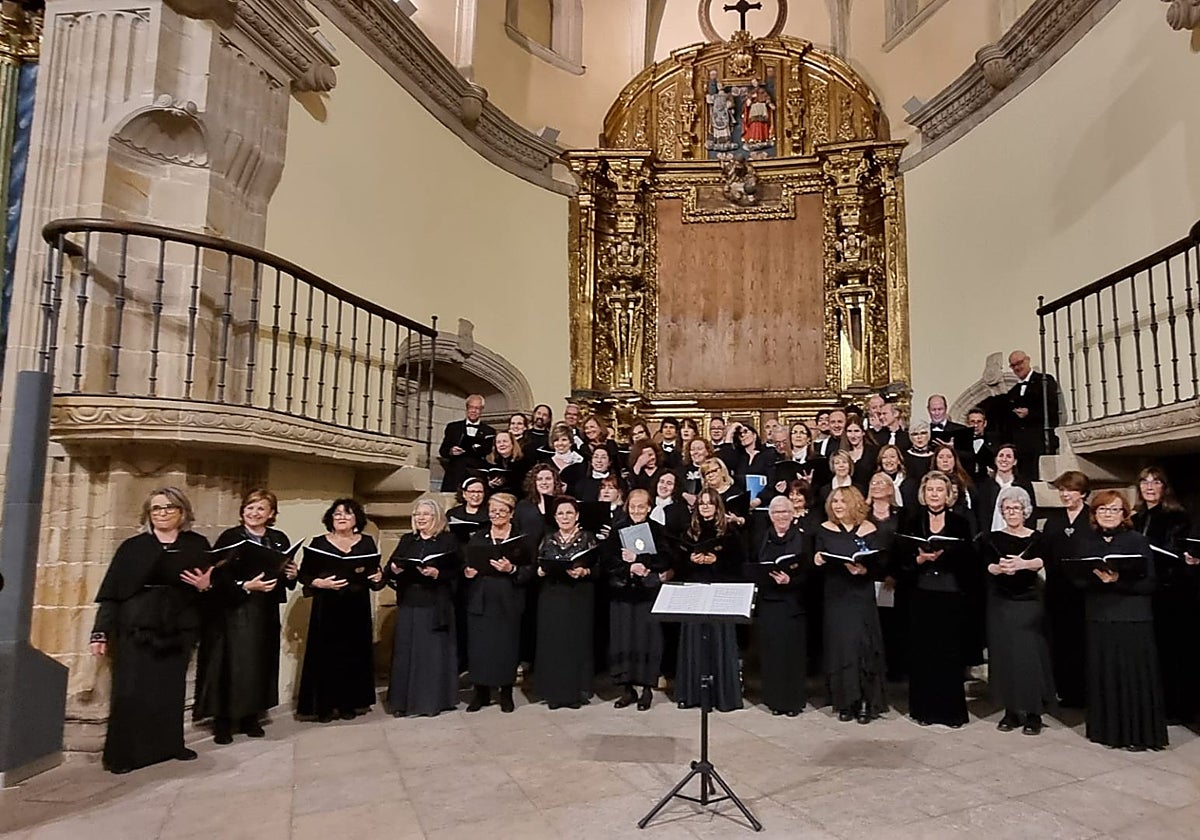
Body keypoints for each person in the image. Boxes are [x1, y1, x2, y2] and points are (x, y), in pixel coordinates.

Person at [90, 488, 212, 774]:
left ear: (183, 512)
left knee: (171, 689)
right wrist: (100, 632)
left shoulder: (197, 544)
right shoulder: (133, 547)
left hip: (178, 624)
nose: (163, 513)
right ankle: (124, 755)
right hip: (137, 623)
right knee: (130, 691)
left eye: (169, 508)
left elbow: (209, 588)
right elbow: (111, 593)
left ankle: (171, 745)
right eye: (156, 509)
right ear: (148, 514)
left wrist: (206, 586)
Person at [195, 489, 297, 744]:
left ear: (271, 514)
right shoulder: (231, 537)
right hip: (234, 609)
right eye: (250, 508)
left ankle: (251, 716)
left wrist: (291, 575)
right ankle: (223, 722)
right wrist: (244, 585)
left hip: (265, 609)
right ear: (242, 512)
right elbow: (217, 574)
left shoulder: (278, 538)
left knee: (259, 663)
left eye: (261, 509)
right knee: (231, 665)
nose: (254, 513)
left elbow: (282, 571)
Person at [1077, 490, 1166, 751]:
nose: (1108, 514)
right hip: (1099, 616)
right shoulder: (1086, 541)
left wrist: (1118, 581)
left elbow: (1150, 582)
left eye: (1115, 509)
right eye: (1103, 509)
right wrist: (1095, 579)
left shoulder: (1137, 541)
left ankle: (1138, 735)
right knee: (1104, 674)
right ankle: (1107, 731)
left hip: (1133, 616)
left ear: (1125, 514)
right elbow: (1076, 578)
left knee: (1133, 677)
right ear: (1094, 514)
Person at [296, 498, 385, 722]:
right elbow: (304, 575)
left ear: (357, 519)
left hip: (356, 606)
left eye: (347, 513)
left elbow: (374, 574)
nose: (342, 517)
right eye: (337, 514)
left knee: (353, 654)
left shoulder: (366, 542)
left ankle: (349, 704)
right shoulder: (319, 542)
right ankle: (324, 706)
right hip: (327, 606)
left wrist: (378, 576)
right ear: (330, 518)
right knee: (325, 656)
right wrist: (319, 583)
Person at [899, 471, 974, 728]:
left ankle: (951, 712)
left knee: (949, 653)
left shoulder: (961, 523)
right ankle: (924, 711)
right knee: (923, 653)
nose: (934, 494)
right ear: (923, 493)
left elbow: (969, 561)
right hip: (921, 593)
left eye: (939, 490)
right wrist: (918, 560)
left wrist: (948, 555)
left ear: (948, 494)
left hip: (950, 593)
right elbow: (901, 562)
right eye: (930, 490)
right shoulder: (911, 521)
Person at [980, 487, 1055, 735]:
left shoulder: (1038, 538)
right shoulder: (991, 538)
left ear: (1026, 511)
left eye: (1016, 508)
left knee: (1029, 657)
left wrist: (1023, 564)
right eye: (1007, 508)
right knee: (1004, 657)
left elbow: (1042, 561)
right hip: (1000, 602)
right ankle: (1011, 711)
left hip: (1028, 602)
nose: (1012, 512)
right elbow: (986, 565)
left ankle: (1033, 712)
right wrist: (1000, 569)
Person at [813, 486, 887, 724]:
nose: (837, 506)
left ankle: (866, 701)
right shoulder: (825, 529)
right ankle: (845, 702)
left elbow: (880, 562)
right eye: (834, 501)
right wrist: (817, 558)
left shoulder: (869, 529)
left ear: (854, 503)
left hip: (860, 594)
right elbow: (817, 556)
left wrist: (865, 569)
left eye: (843, 501)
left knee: (862, 646)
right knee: (840, 647)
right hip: (836, 595)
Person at [384, 496, 461, 717]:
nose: (421, 518)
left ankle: (432, 702)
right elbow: (391, 567)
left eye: (426, 514)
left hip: (435, 603)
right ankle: (402, 702)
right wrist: (394, 570)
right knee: (406, 653)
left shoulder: (448, 541)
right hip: (410, 601)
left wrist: (438, 573)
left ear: (436, 517)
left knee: (431, 655)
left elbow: (458, 572)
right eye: (417, 514)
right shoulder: (408, 540)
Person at [1133, 467, 1195, 725]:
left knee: (1170, 652)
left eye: (1155, 482)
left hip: (1169, 592)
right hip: (1141, 593)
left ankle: (1175, 707)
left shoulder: (1177, 517)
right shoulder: (1135, 519)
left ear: (1164, 487)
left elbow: (1177, 553)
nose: (1149, 487)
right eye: (1144, 482)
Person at [675, 489, 744, 712]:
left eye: (710, 503)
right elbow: (679, 566)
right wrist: (692, 560)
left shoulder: (730, 532)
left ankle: (722, 696)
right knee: (694, 641)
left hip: (720, 592)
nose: (705, 507)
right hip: (695, 591)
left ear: (717, 506)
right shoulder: (689, 533)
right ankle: (692, 694)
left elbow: (739, 567)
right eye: (702, 503)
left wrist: (715, 560)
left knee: (719, 641)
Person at [464, 492, 532, 713]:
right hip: (481, 597)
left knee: (505, 647)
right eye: (493, 511)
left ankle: (505, 692)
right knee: (480, 647)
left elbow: (530, 570)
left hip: (508, 598)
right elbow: (466, 562)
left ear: (511, 514)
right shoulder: (479, 537)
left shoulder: (521, 539)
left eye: (502, 511)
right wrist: (468, 571)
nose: (497, 515)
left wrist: (511, 569)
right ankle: (481, 692)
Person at [607, 489, 674, 711]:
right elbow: (608, 560)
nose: (637, 511)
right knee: (623, 639)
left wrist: (641, 560)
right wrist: (629, 568)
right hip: (623, 592)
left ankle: (646, 690)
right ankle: (627, 690)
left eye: (641, 507)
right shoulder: (617, 529)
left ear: (649, 507)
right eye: (633, 507)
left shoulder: (657, 530)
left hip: (647, 593)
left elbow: (665, 558)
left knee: (648, 639)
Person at [535, 496, 598, 709]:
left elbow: (600, 569)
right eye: (560, 513)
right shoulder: (547, 538)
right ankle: (554, 694)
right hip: (552, 597)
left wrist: (585, 570)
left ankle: (575, 693)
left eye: (569, 513)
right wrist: (541, 570)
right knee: (553, 644)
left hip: (578, 596)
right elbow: (537, 564)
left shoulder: (588, 538)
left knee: (575, 643)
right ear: (555, 517)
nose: (565, 517)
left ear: (577, 515)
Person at [751, 496, 810, 716]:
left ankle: (793, 701)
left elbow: (810, 573)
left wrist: (790, 580)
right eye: (776, 512)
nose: (781, 516)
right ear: (770, 516)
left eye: (785, 512)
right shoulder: (761, 538)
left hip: (794, 603)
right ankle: (774, 700)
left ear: (793, 514)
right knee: (772, 652)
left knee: (791, 653)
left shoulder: (803, 539)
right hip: (769, 603)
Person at [1042, 470, 1093, 709]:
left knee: (1083, 642)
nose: (1065, 494)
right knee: (1060, 642)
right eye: (1062, 490)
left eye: (1070, 490)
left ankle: (1085, 691)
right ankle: (1064, 690)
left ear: (1082, 493)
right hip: (1058, 590)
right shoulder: (1054, 521)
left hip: (1085, 591)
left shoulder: (1093, 518)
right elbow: (1046, 555)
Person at [1006, 350, 1060, 479]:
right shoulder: (1013, 392)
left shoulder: (1045, 380)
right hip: (1021, 447)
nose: (1017, 367)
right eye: (1013, 365)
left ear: (1028, 360)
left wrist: (1029, 414)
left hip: (1040, 441)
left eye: (1019, 363)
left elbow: (1051, 410)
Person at [438, 394, 496, 491]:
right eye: (471, 407)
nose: (474, 411)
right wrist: (451, 451)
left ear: (482, 410)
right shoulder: (453, 427)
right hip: (455, 473)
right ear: (467, 408)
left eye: (477, 408)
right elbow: (443, 451)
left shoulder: (489, 431)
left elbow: (488, 451)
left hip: (477, 472)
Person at [977, 444, 1036, 534]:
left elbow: (1030, 513)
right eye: (1001, 456)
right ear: (995, 460)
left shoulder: (1023, 485)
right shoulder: (985, 485)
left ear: (1015, 461)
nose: (1004, 459)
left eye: (1008, 456)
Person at [960, 407, 996, 483]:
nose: (975, 425)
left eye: (979, 421)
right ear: (967, 424)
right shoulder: (959, 442)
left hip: (987, 483)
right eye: (972, 422)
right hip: (965, 482)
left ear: (985, 423)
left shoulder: (995, 441)